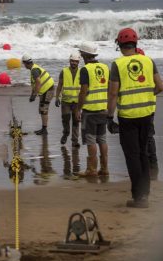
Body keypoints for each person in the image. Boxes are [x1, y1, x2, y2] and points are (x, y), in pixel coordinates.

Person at [107, 28, 163, 208]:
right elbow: (160, 86)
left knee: (132, 156)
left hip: (128, 118)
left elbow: (113, 94)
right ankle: (144, 194)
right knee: (143, 153)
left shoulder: (118, 65)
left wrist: (109, 117)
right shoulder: (148, 61)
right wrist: (147, 96)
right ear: (135, 43)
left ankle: (139, 198)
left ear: (120, 45)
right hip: (147, 115)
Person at [76, 41, 110, 177]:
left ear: (84, 55)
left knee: (90, 140)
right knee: (102, 139)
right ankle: (105, 168)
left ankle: (91, 169)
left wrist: (78, 109)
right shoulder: (105, 67)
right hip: (103, 109)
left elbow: (83, 91)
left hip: (90, 111)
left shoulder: (85, 70)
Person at [136, 47, 159, 180]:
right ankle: (152, 164)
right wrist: (151, 95)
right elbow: (159, 86)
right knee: (148, 136)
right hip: (149, 108)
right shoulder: (149, 68)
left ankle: (151, 164)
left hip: (144, 109)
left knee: (146, 137)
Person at [22, 54, 55, 135]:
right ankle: (43, 129)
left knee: (43, 110)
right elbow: (35, 84)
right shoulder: (34, 68)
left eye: (24, 64)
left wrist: (34, 95)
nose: (24, 65)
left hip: (48, 90)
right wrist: (32, 95)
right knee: (42, 110)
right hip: (46, 90)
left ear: (26, 63)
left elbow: (38, 82)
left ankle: (44, 130)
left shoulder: (34, 70)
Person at [55, 52, 81, 147]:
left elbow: (84, 87)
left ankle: (75, 141)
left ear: (78, 62)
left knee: (76, 121)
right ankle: (65, 134)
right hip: (65, 101)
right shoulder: (64, 71)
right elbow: (59, 85)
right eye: (72, 61)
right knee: (65, 119)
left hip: (77, 102)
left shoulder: (81, 72)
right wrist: (57, 97)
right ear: (69, 61)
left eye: (76, 61)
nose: (74, 63)